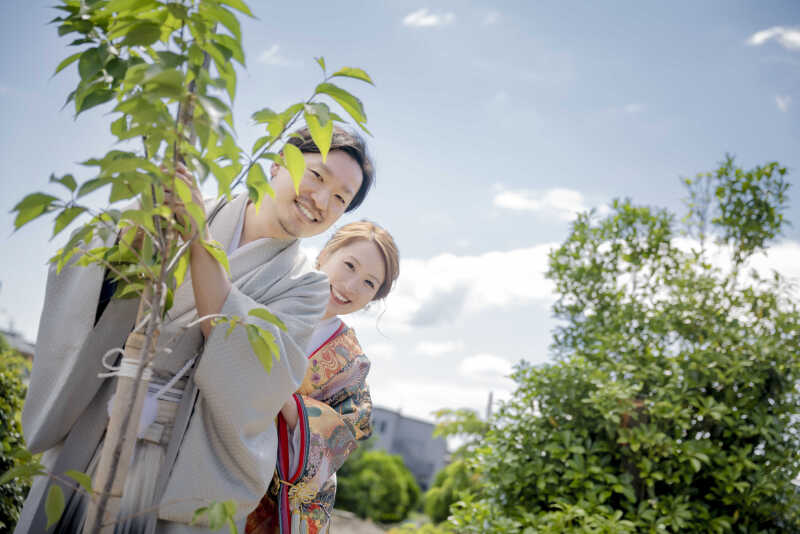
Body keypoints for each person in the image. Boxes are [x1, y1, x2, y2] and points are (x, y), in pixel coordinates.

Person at [15, 127, 375, 534]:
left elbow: (260, 379)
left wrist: (199, 244)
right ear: (277, 164)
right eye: (317, 176)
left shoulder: (304, 287)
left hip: (179, 461)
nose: (322, 200)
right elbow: (90, 274)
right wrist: (131, 238)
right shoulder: (187, 210)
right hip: (100, 417)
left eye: (341, 198)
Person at [245, 221, 400, 534]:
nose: (352, 286)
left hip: (263, 485)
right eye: (349, 265)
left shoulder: (351, 361)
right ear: (326, 253)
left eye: (369, 283)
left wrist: (289, 404)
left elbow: (350, 427)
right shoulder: (268, 288)